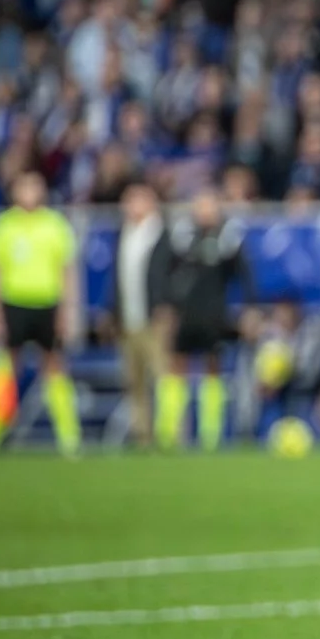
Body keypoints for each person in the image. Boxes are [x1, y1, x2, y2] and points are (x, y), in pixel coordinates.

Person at [0, 169, 82, 454]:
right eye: (25, 186)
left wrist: (68, 312)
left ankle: (69, 437)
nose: (30, 192)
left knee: (55, 366)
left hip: (48, 304)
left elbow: (68, 272)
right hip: (13, 304)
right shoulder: (4, 225)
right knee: (5, 368)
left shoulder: (55, 224)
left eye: (36, 186)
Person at [157, 189, 255, 450]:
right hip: (185, 314)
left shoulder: (227, 238)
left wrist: (249, 309)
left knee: (213, 368)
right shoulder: (183, 237)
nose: (205, 211)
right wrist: (167, 307)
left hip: (214, 314)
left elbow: (245, 276)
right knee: (177, 367)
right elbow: (165, 273)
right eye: (201, 205)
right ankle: (168, 432)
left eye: (210, 205)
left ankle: (210, 434)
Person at [110, 180, 171, 447]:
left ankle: (170, 434)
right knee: (133, 382)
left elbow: (171, 277)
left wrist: (167, 308)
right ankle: (142, 435)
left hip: (155, 319)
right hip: (128, 319)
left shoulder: (163, 235)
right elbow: (117, 278)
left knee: (164, 378)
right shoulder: (122, 234)